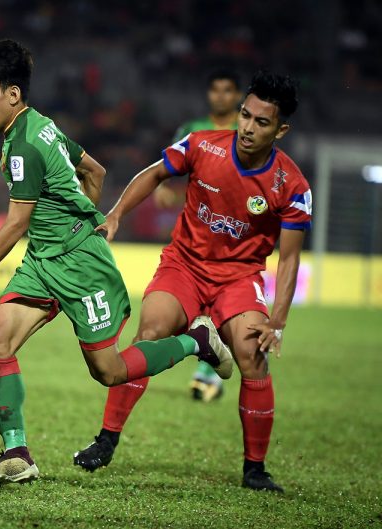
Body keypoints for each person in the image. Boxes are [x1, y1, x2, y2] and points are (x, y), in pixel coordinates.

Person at [0, 38, 234, 486]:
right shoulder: (40, 125)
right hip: (44, 260)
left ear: (12, 94)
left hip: (80, 267)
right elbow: (95, 171)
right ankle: (16, 454)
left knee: (109, 372)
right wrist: (79, 219)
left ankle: (196, 341)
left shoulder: (25, 145)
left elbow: (16, 224)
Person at [73, 70, 311, 493]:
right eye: (245, 115)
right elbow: (153, 174)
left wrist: (277, 320)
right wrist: (115, 215)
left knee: (252, 356)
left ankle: (255, 470)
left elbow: (289, 257)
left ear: (281, 130)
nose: (248, 128)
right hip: (183, 266)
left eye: (261, 122)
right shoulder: (202, 144)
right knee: (151, 331)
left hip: (238, 278)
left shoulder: (291, 185)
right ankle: (106, 440)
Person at [156, 69, 243, 402]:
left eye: (227, 90)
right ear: (209, 94)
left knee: (223, 303)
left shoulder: (246, 131)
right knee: (189, 301)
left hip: (235, 230)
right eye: (215, 89)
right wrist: (165, 185)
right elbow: (168, 164)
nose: (221, 96)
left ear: (238, 95)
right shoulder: (192, 129)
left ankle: (208, 372)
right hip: (197, 230)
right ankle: (209, 365)